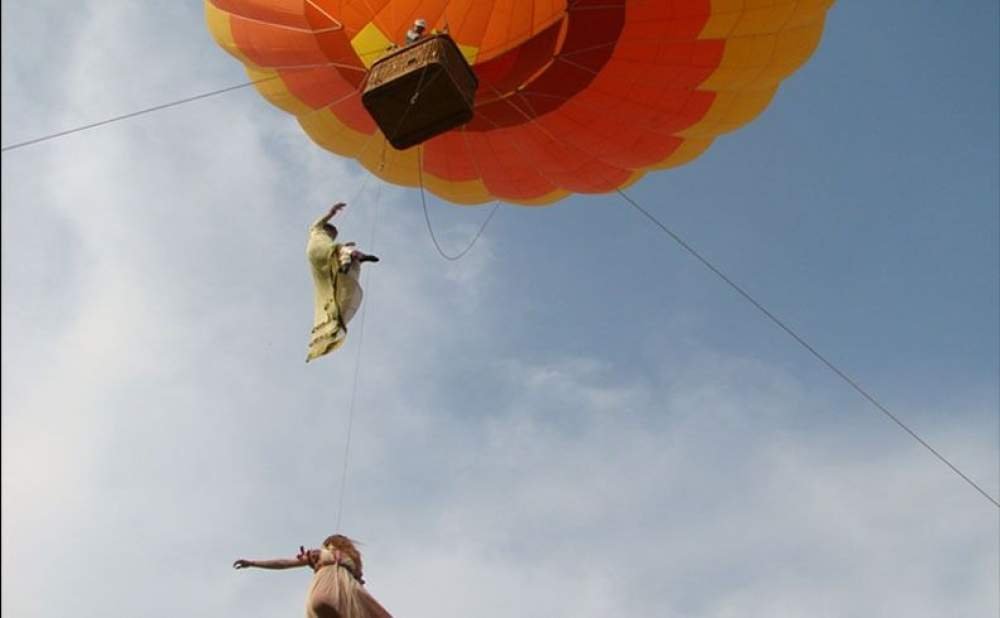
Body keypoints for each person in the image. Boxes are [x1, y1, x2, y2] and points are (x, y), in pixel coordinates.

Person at [233, 534, 393, 618]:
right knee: (324, 604)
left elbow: (285, 563)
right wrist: (253, 563)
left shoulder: (351, 563)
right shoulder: (321, 554)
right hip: (332, 588)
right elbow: (285, 563)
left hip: (346, 592)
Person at [305, 203, 379, 362]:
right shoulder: (316, 230)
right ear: (327, 230)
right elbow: (322, 221)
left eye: (333, 235)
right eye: (332, 233)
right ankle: (352, 259)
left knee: (345, 253)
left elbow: (336, 247)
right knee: (340, 248)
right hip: (318, 252)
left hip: (323, 259)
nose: (332, 236)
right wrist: (332, 212)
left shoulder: (329, 242)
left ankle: (351, 262)